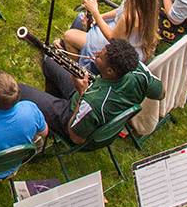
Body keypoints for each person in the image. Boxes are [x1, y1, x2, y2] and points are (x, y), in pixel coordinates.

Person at [19, 36, 160, 145]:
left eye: (100, 56)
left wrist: (82, 94)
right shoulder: (138, 71)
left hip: (73, 119)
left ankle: (49, 122)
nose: (96, 53)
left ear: (110, 71)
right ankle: (48, 116)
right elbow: (160, 93)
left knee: (20, 90)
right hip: (92, 98)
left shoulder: (93, 101)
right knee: (50, 61)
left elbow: (76, 137)